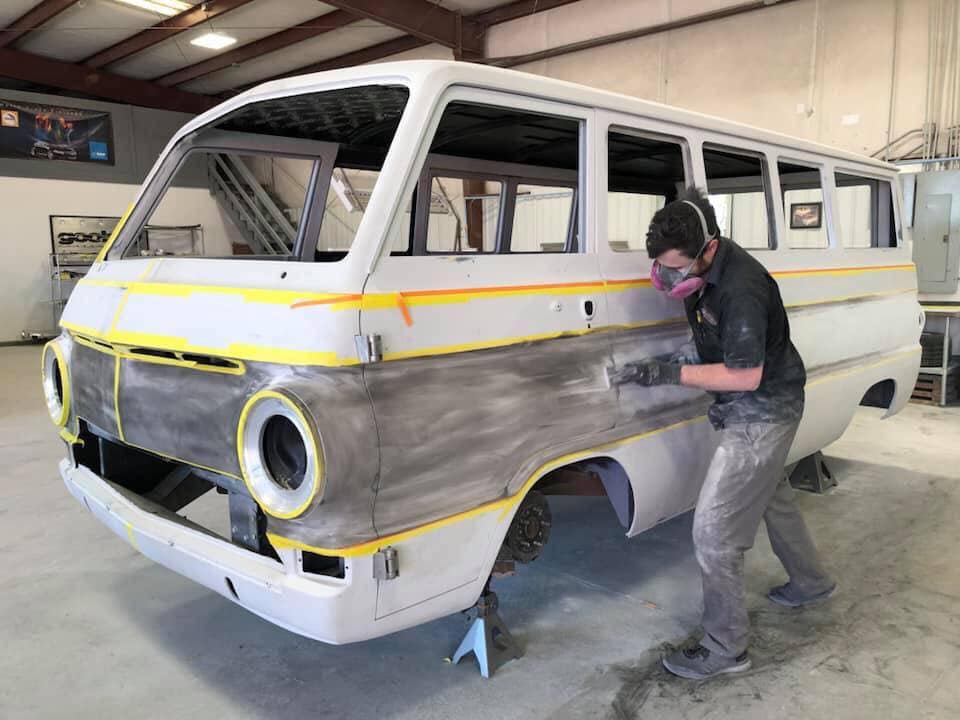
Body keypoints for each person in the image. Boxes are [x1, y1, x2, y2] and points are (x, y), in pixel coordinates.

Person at [619, 187, 836, 681]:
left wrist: (670, 375)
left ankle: (725, 647)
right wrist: (664, 363)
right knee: (773, 497)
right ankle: (811, 582)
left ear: (708, 248)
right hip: (759, 402)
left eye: (677, 269)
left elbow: (745, 375)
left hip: (763, 412)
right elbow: (713, 346)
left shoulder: (741, 287)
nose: (670, 279)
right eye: (662, 268)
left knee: (713, 532)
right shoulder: (705, 274)